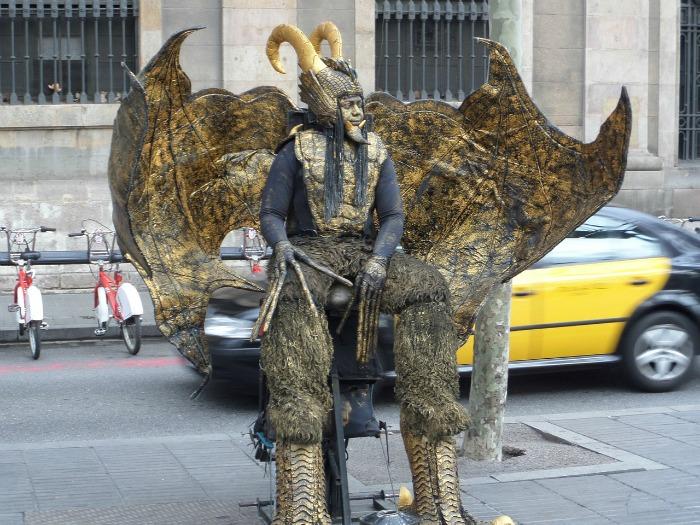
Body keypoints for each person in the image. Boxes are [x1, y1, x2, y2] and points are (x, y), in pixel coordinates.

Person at [256, 22, 473, 525]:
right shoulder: (294, 152)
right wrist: (283, 246)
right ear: (323, 106)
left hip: (359, 252)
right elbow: (269, 213)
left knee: (428, 288)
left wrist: (379, 259)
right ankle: (303, 505)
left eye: (359, 102)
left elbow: (393, 216)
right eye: (348, 103)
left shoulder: (376, 152)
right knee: (293, 299)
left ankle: (438, 497)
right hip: (307, 254)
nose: (358, 110)